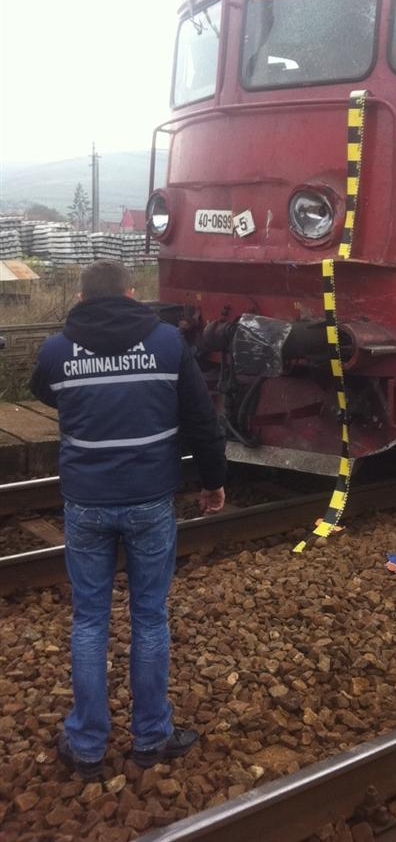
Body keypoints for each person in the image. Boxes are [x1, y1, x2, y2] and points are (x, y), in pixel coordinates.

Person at [30, 260, 227, 780]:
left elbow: (42, 391)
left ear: (79, 299)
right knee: (149, 616)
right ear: (132, 293)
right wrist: (213, 480)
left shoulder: (55, 350)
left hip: (86, 503)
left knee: (90, 621)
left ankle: (87, 745)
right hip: (149, 500)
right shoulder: (166, 344)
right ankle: (152, 737)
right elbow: (201, 419)